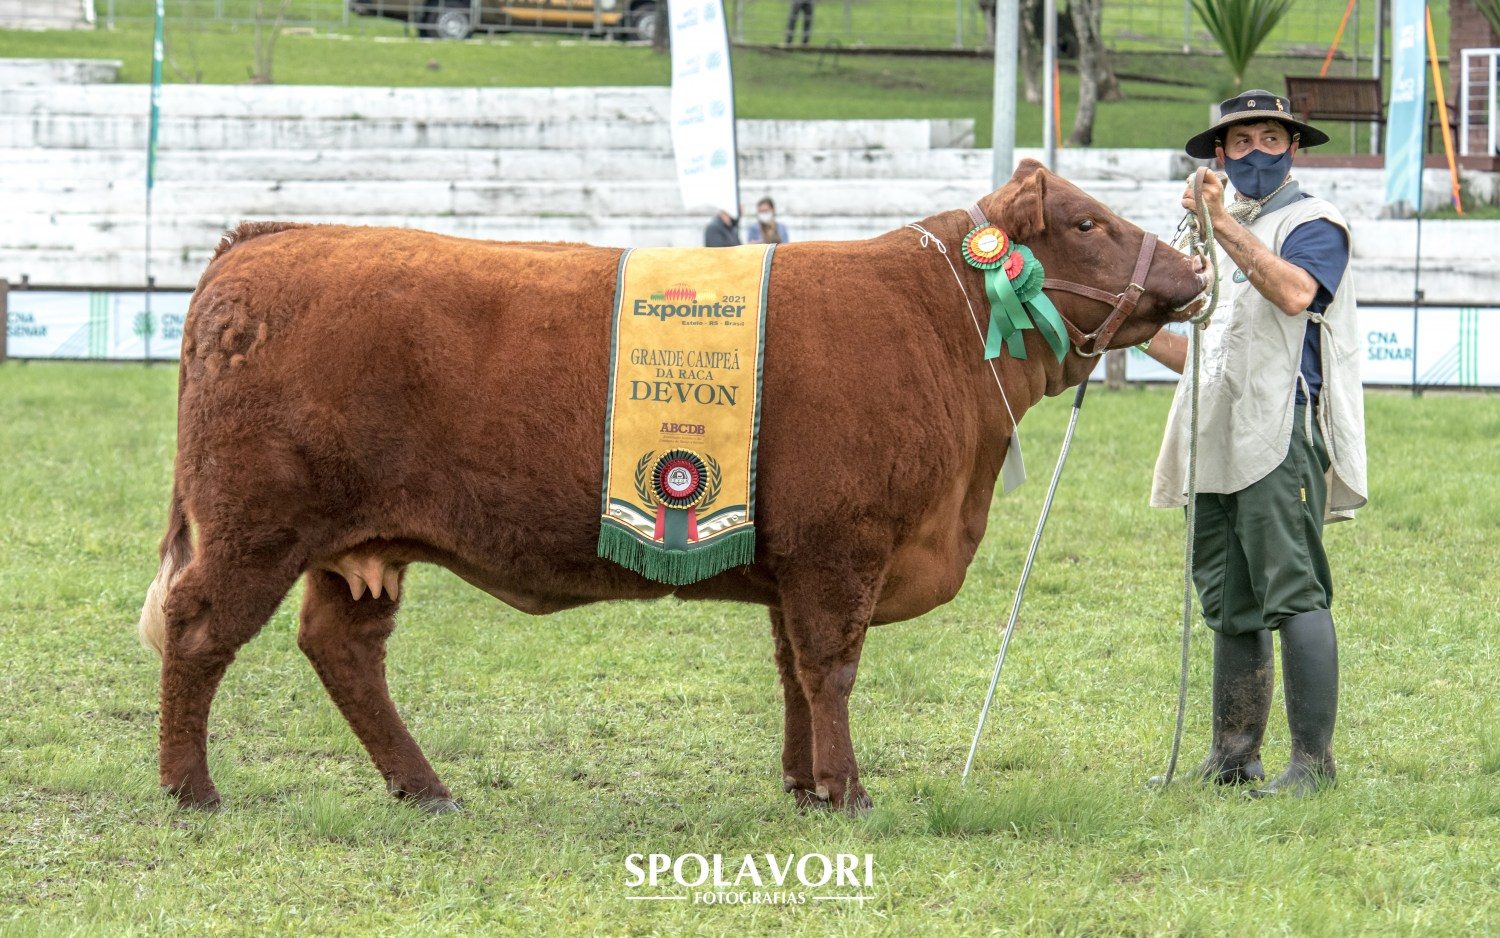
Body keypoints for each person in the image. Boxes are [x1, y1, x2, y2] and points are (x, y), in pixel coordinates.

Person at [1142, 90, 1368, 798]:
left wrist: (1220, 225)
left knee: (1292, 591)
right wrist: (1118, 328)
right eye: (1243, 142)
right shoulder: (1210, 234)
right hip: (1216, 433)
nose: (1259, 152)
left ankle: (1314, 765)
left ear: (1294, 147)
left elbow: (1296, 293)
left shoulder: (1314, 223)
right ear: (1220, 154)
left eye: (1273, 137)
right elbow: (1203, 354)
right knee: (1229, 599)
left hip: (1282, 428)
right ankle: (1233, 756)